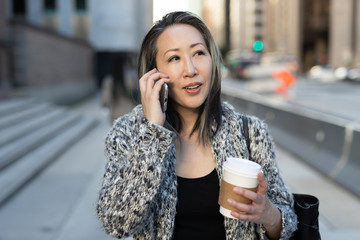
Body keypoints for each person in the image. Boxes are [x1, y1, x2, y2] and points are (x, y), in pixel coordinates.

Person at [96, 11, 297, 240]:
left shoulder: (250, 132)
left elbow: (288, 220)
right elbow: (117, 224)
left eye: (199, 53)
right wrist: (152, 132)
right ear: (154, 74)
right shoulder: (129, 134)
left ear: (212, 60)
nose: (190, 69)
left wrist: (268, 214)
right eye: (174, 58)